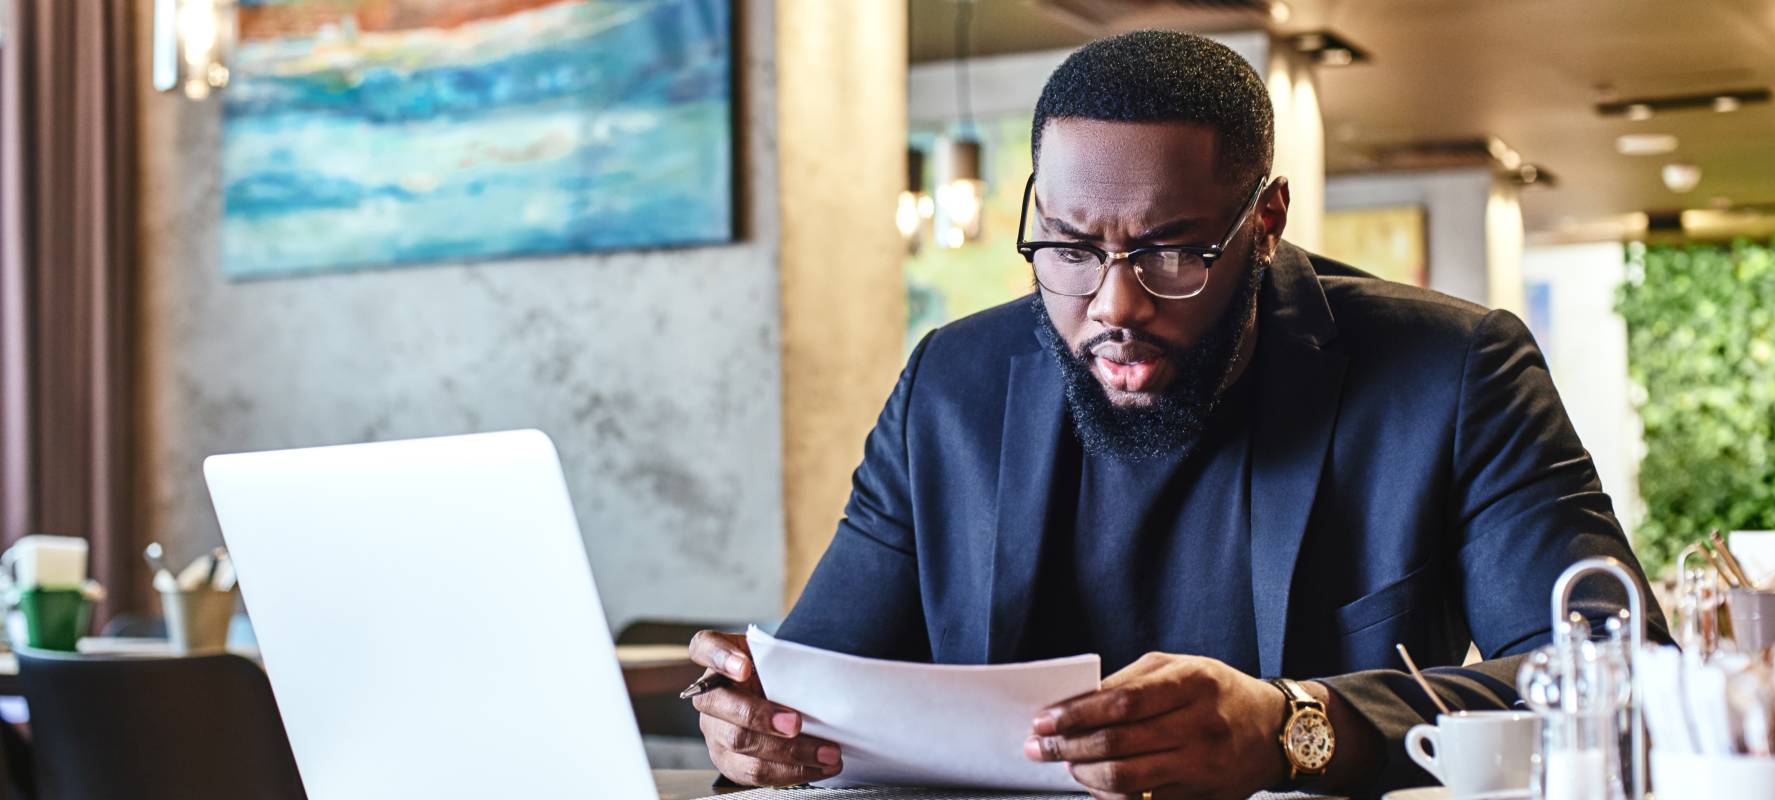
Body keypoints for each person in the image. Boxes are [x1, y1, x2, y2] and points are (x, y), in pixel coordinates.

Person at [687, 30, 1664, 799]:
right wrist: (756, 726)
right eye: (1068, 249)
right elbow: (822, 676)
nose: (1113, 305)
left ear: (1266, 222)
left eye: (1171, 251)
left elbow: (1627, 682)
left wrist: (1294, 725)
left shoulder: (1452, 371)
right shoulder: (954, 382)